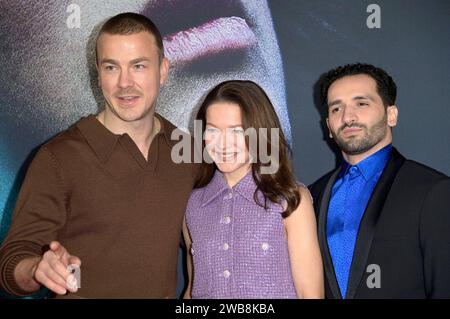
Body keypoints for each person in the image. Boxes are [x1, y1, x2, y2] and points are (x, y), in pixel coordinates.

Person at [0, 13, 198, 299]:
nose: (124, 83)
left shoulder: (188, 152)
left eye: (138, 66)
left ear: (163, 70)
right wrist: (37, 269)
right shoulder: (59, 157)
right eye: (111, 67)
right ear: (98, 73)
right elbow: (12, 261)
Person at [309, 63, 450, 299]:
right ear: (329, 128)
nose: (348, 117)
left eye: (361, 103)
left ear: (391, 115)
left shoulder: (433, 191)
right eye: (336, 109)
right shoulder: (313, 195)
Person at [182, 80, 324, 299]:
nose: (222, 143)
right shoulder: (192, 204)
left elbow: (310, 294)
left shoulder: (290, 200)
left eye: (236, 131)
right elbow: (193, 290)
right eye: (212, 130)